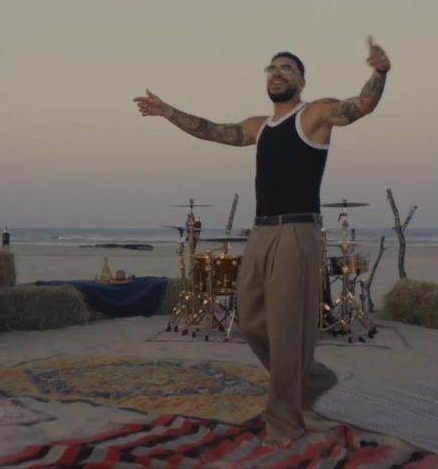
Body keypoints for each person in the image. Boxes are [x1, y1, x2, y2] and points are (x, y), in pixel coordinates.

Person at [134, 37, 391, 447]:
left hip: (297, 231)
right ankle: (313, 379)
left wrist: (379, 73)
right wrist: (167, 111)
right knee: (252, 322)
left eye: (286, 68)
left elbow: (359, 106)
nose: (277, 73)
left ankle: (284, 423)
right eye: (272, 68)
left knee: (286, 331)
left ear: (301, 80)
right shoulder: (259, 126)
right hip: (261, 232)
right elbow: (212, 130)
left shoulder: (314, 114)